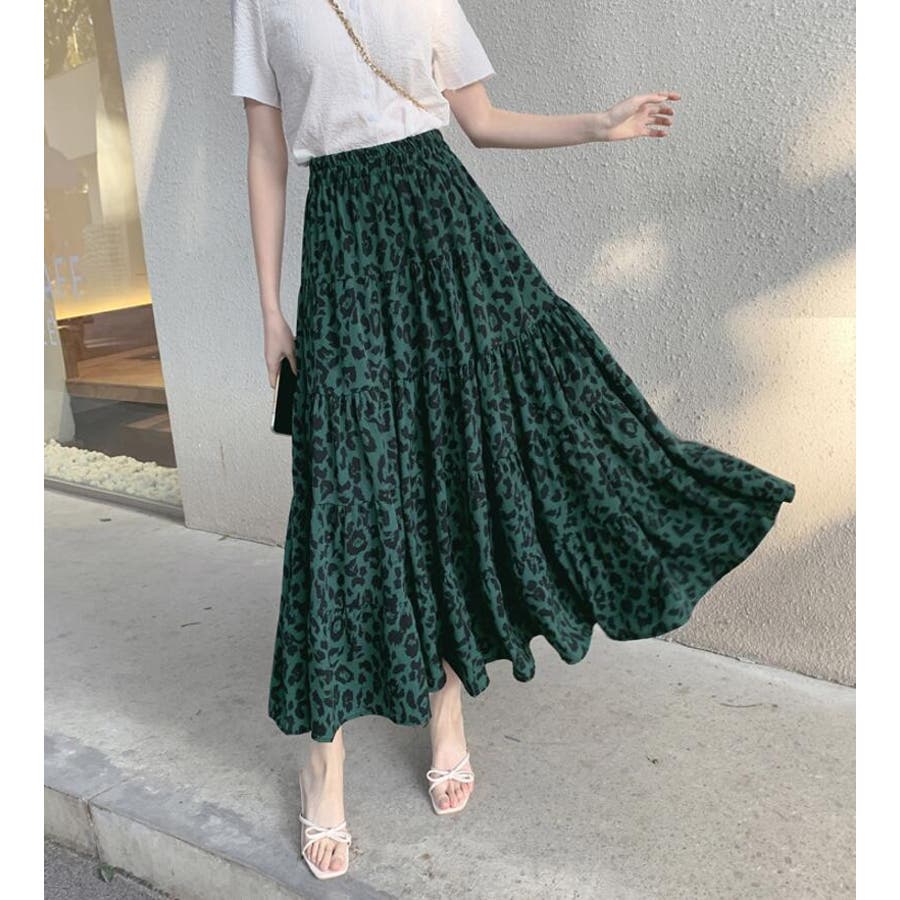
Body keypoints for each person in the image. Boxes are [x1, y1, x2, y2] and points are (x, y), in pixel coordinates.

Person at [231, 0, 796, 880]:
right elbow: (266, 151)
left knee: (460, 467)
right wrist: (270, 306)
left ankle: (447, 705)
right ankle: (323, 760)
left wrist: (598, 124)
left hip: (446, 232)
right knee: (345, 493)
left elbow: (482, 120)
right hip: (342, 244)